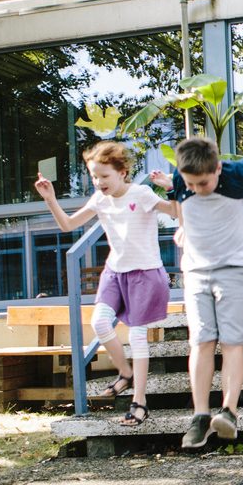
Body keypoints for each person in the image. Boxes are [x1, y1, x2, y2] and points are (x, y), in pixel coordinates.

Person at [34, 141, 176, 427]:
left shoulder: (141, 193)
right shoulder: (99, 199)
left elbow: (177, 212)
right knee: (100, 323)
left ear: (123, 172)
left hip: (145, 274)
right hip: (114, 272)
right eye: (95, 177)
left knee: (137, 336)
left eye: (104, 176)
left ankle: (139, 403)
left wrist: (172, 188)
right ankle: (125, 372)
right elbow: (68, 225)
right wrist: (50, 198)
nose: (99, 182)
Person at [151, 137, 243, 449]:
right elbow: (182, 202)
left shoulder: (235, 174)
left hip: (234, 269)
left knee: (231, 342)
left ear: (218, 168)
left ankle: (229, 411)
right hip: (195, 272)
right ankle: (199, 415)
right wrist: (183, 225)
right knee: (201, 341)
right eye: (190, 182)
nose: (196, 187)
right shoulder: (183, 183)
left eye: (203, 182)